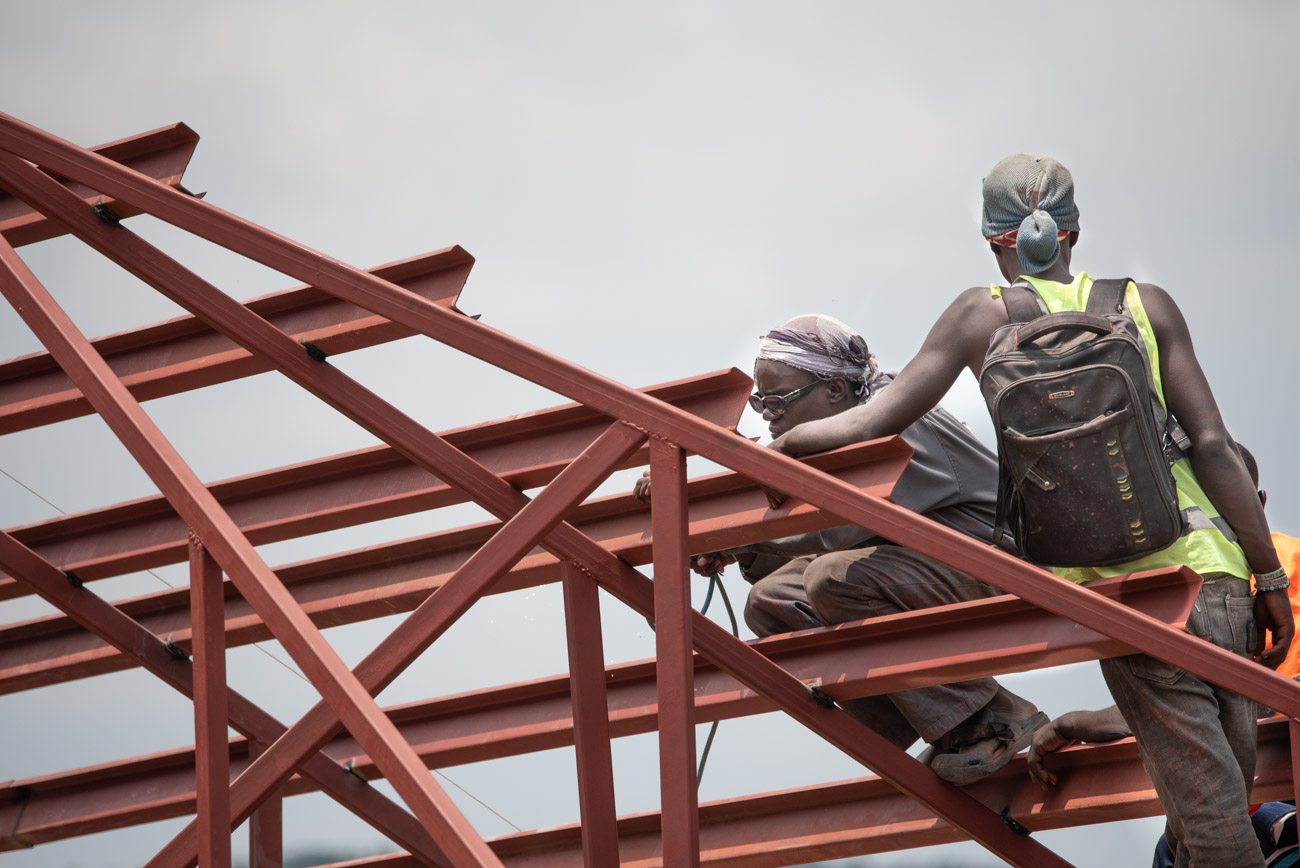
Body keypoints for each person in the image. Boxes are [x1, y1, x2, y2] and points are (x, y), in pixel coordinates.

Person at [765, 155, 1294, 867]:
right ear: (1074, 231)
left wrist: (784, 443)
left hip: (1132, 595)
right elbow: (1214, 448)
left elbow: (865, 426)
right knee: (1225, 804)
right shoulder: (1147, 304)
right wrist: (1269, 578)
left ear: (992, 240)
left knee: (1209, 827)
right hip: (1221, 574)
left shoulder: (979, 314)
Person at [634, 313, 1046, 784]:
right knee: (771, 600)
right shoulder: (829, 446)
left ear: (834, 390)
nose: (768, 414)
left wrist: (729, 529)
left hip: (994, 566)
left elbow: (842, 530)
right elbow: (814, 532)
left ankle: (989, 717)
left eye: (778, 400)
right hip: (918, 566)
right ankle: (938, 723)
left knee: (831, 577)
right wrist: (726, 539)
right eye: (759, 400)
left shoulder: (893, 414)